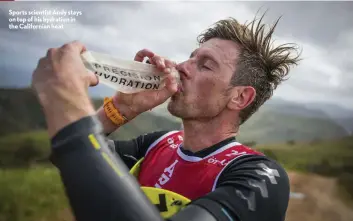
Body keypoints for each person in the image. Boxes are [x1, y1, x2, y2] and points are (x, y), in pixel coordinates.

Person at [31, 14, 301, 221]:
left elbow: (76, 143)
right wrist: (122, 109)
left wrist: (71, 107)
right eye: (190, 58)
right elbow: (69, 158)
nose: (182, 66)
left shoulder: (259, 176)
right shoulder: (156, 144)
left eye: (205, 65)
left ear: (239, 98)